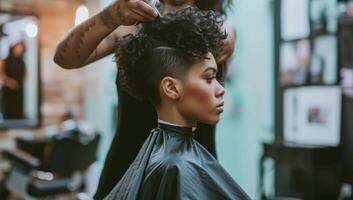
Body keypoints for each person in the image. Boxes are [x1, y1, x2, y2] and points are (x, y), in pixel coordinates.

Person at [53, 0, 236, 198]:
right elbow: (65, 58)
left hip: (192, 171)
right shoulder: (128, 28)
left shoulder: (218, 33)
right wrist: (112, 15)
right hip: (128, 170)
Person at [105, 7, 249, 199]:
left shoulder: (166, 161)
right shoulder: (173, 168)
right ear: (171, 88)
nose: (220, 89)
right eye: (209, 78)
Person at [0, 42, 27, 119]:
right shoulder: (4, 61)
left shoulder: (22, 62)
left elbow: (26, 75)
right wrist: (10, 82)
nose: (19, 50)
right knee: (8, 113)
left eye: (21, 49)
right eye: (18, 48)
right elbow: (1, 76)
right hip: (7, 90)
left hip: (19, 90)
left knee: (18, 112)